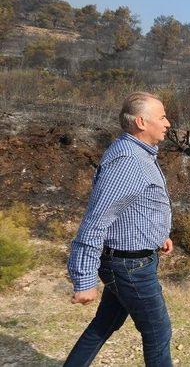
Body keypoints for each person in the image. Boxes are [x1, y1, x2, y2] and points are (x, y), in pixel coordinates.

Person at [65, 92, 174, 367]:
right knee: (158, 332)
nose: (168, 123)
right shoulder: (128, 161)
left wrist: (159, 235)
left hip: (132, 260)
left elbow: (134, 206)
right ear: (141, 121)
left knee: (105, 324)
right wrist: (85, 278)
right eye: (161, 117)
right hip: (129, 266)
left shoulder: (139, 154)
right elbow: (96, 219)